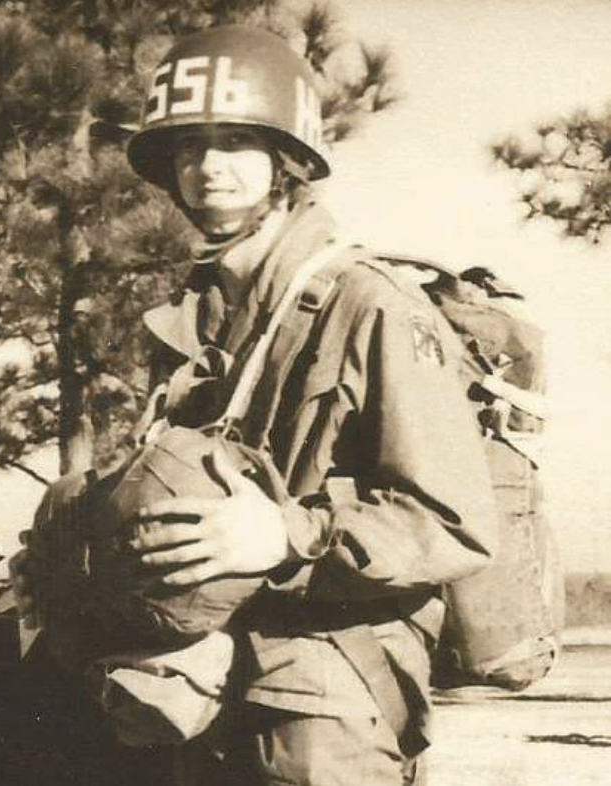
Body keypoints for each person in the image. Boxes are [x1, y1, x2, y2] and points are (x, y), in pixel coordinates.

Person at [113, 24, 499, 786]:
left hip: (326, 685)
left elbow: (451, 520)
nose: (208, 168)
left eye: (235, 142)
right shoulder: (190, 322)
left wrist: (285, 536)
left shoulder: (370, 304)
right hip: (200, 669)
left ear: (286, 160)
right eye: (187, 148)